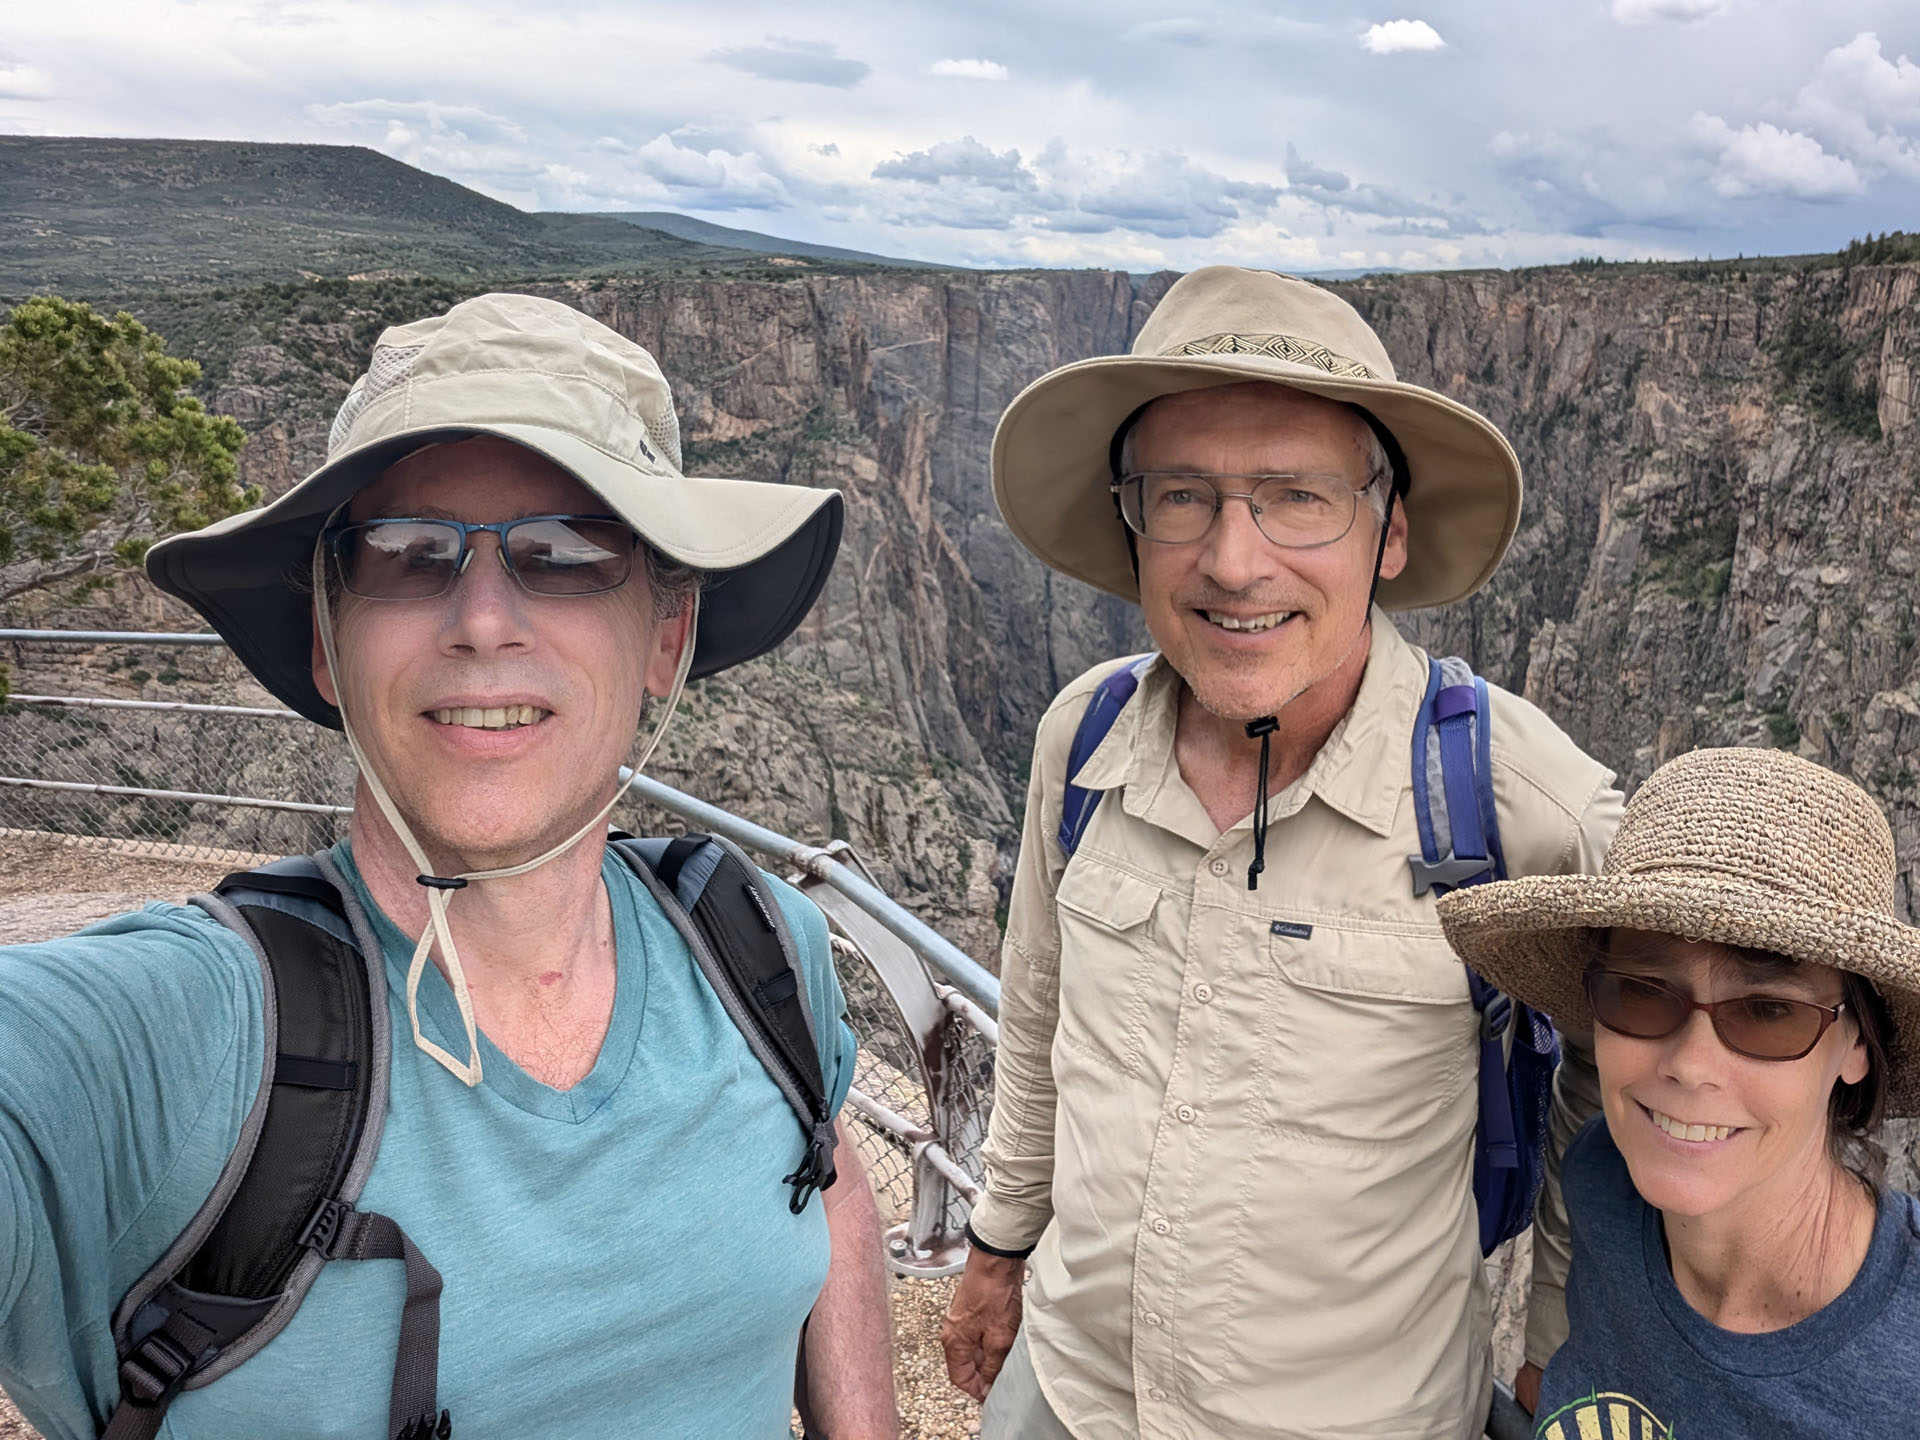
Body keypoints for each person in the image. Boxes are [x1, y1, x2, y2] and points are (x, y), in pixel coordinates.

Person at [0, 294, 899, 1439]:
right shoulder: (180, 1040)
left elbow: (826, 1172)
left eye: (567, 554)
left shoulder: (761, 946)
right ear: (330, 641)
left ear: (666, 639)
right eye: (407, 554)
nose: (482, 620)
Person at [941, 265, 1624, 1439]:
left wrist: (1560, 1341)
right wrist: (998, 1251)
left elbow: (1621, 1081)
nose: (1234, 561)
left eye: (1297, 497)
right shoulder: (1083, 736)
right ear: (1131, 523)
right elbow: (1044, 1017)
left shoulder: (1522, 802)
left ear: (1390, 529)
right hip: (1071, 1394)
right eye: (1182, 497)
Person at [1438, 745, 1920, 1438]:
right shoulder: (1607, 1180)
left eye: (1767, 1011)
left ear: (1858, 1046)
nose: (1691, 1066)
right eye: (1641, 993)